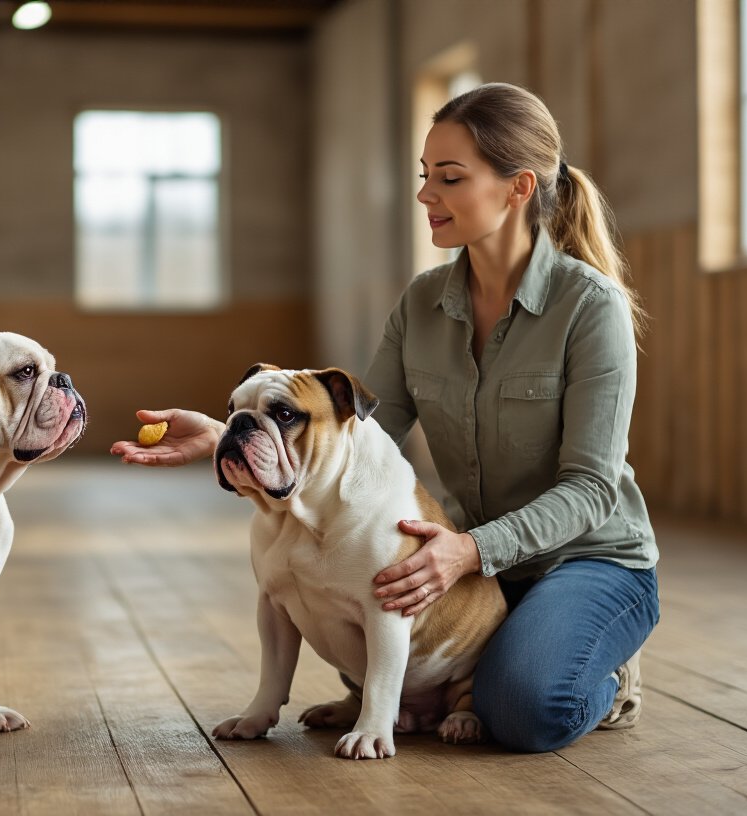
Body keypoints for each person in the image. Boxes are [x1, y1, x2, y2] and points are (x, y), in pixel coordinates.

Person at [109, 82, 659, 754]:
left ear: (518, 189)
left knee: (523, 708)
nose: (426, 195)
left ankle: (607, 671)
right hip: (471, 570)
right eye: (426, 176)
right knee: (354, 613)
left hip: (588, 559)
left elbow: (593, 489)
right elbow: (368, 432)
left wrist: (470, 549)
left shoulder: (590, 306)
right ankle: (449, 676)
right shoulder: (423, 301)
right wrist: (230, 437)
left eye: (450, 178)